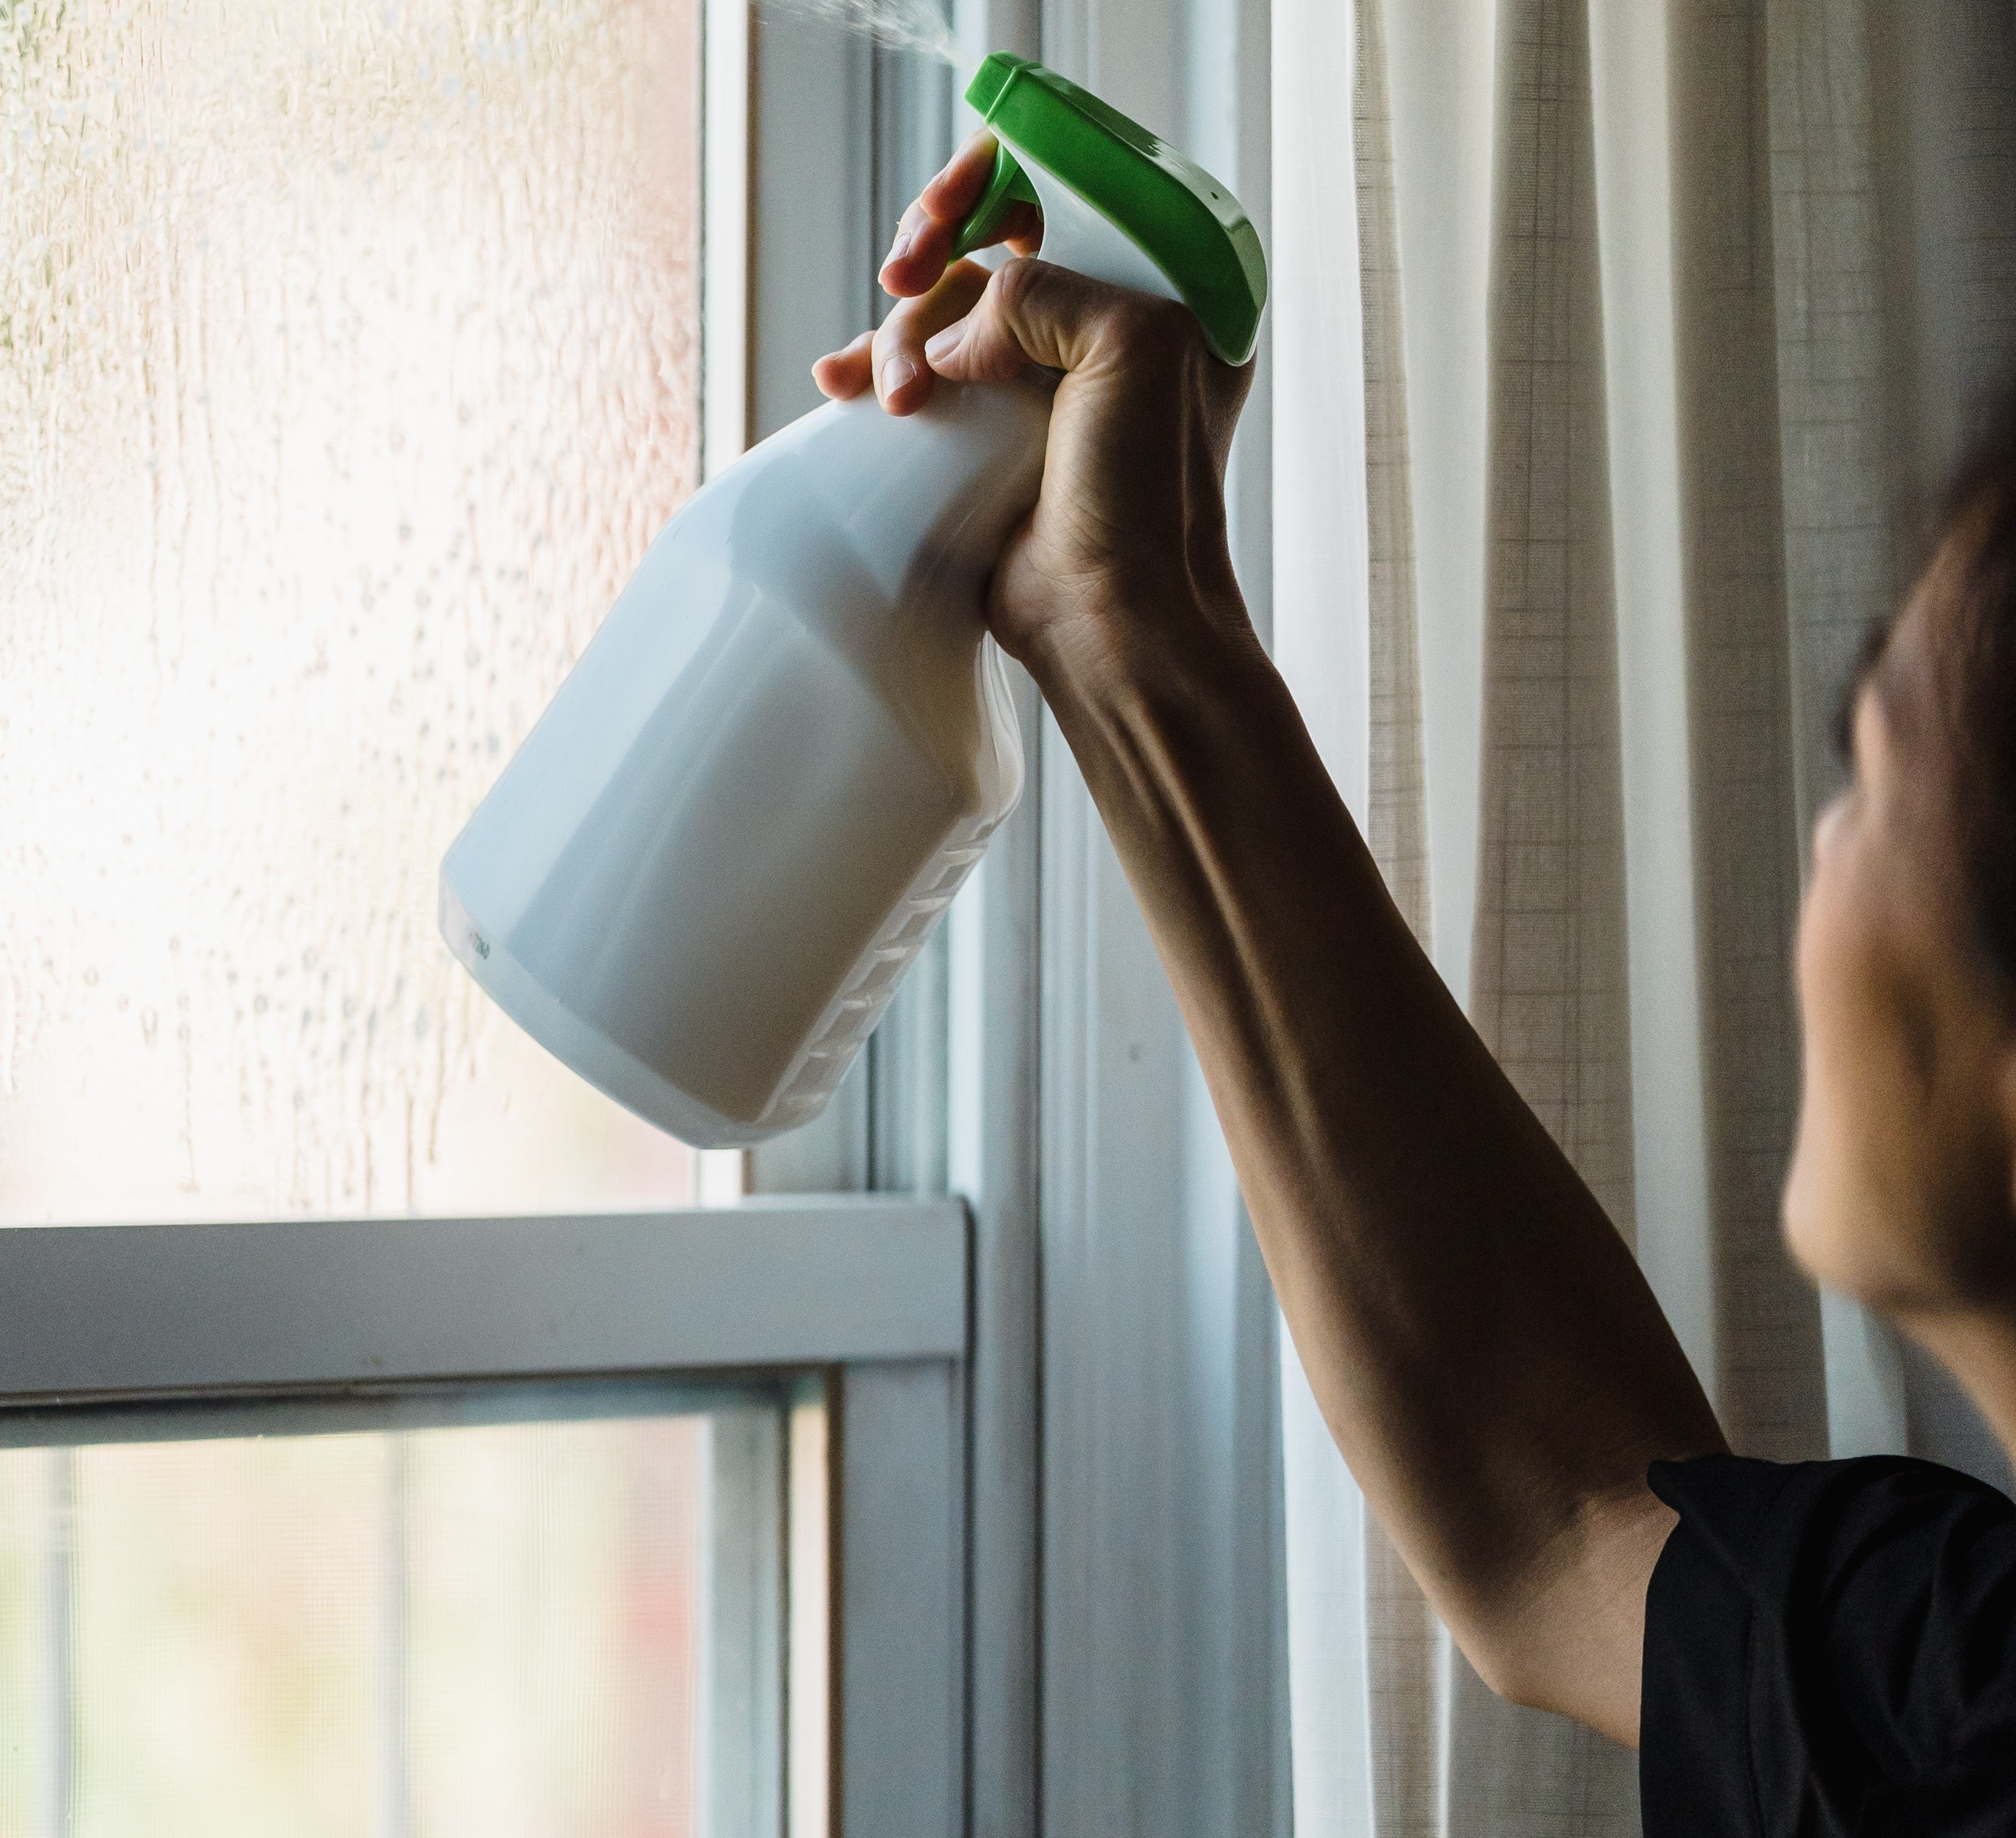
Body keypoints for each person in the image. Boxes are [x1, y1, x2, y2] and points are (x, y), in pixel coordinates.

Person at [817, 135, 2016, 1832]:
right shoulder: (1966, 1671)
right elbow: (1560, 1522)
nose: (1819, 852)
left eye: (1868, 768)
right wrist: (1126, 611)